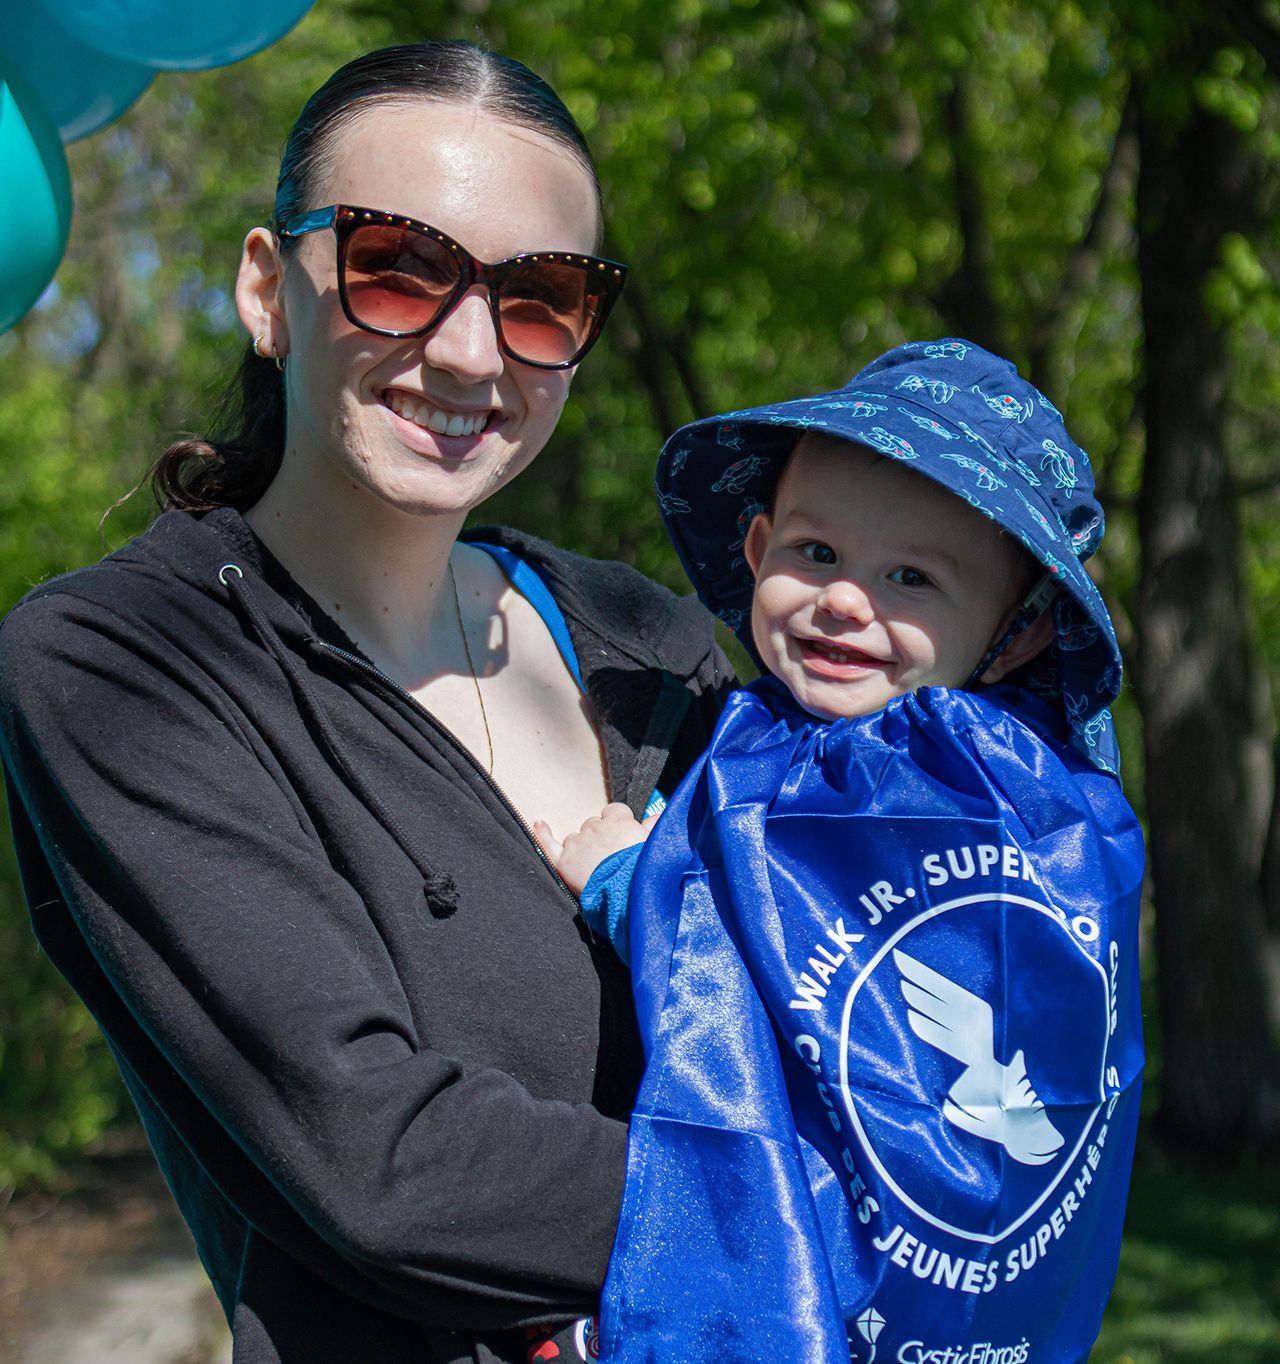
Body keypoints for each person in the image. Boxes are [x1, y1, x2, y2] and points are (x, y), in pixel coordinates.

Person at [0, 41, 734, 1364]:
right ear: (268, 290)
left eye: (543, 298)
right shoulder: (121, 663)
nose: (468, 354)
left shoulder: (660, 650)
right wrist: (843, 1193)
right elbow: (386, 1166)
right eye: (399, 267)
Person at [538, 340, 1146, 1363]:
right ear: (758, 546)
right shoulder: (799, 741)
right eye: (815, 553)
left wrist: (627, 881)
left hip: (830, 1276)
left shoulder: (947, 781)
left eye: (910, 576)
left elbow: (772, 966)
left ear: (1020, 630)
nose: (845, 600)